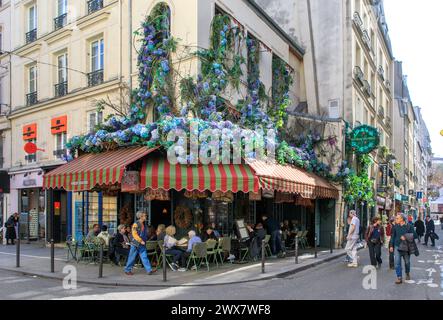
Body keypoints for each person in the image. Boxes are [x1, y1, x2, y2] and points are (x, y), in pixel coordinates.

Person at [124, 211, 157, 276]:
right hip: (136, 244)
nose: (146, 216)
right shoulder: (135, 224)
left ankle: (149, 270)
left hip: (141, 244)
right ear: (141, 216)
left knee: (144, 257)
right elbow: (134, 234)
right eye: (145, 215)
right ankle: (127, 270)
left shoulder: (143, 224)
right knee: (132, 257)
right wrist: (141, 240)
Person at [389, 214, 417, 284]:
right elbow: (392, 237)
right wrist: (391, 246)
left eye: (397, 218)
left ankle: (407, 273)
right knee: (397, 263)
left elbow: (415, 235)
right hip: (397, 246)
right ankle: (399, 277)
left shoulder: (409, 226)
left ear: (402, 219)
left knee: (407, 262)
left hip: (406, 247)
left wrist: (406, 236)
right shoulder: (395, 227)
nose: (396, 220)